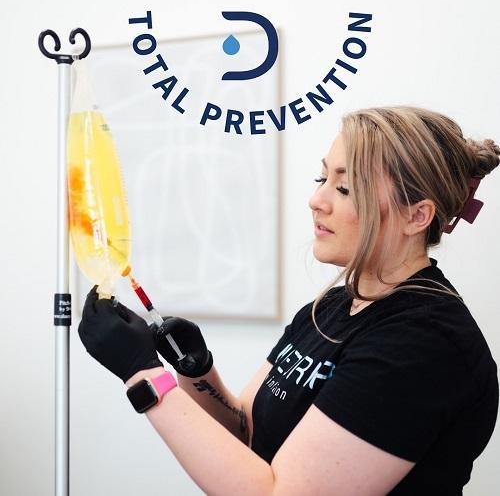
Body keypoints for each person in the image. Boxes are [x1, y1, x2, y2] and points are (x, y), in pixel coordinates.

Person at [78, 106, 499, 495]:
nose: (317, 200)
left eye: (345, 187)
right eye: (322, 179)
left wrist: (144, 377)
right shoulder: (334, 306)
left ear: (416, 216)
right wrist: (196, 371)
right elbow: (246, 432)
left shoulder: (423, 343)